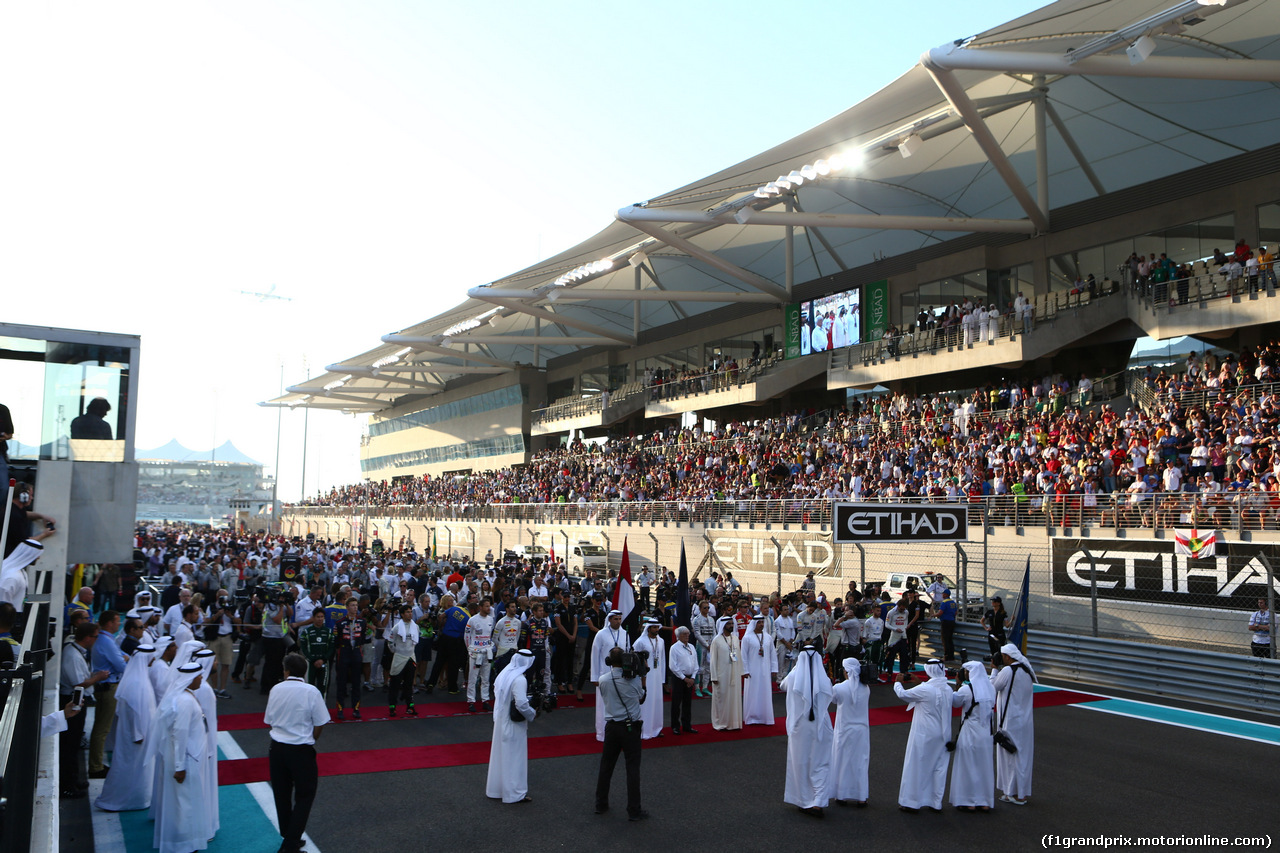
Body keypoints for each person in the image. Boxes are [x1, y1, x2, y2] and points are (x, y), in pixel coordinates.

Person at [265, 653, 329, 853]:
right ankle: (291, 842)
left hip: (276, 748)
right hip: (300, 749)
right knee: (305, 795)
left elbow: (269, 719)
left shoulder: (276, 689)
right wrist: (311, 738)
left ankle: (289, 835)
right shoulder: (311, 691)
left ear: (287, 671)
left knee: (281, 795)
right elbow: (320, 722)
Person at [151, 662, 210, 853]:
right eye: (199, 676)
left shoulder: (186, 696)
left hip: (189, 757)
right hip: (186, 760)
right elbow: (179, 733)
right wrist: (180, 766)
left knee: (186, 803)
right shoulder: (184, 701)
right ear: (190, 678)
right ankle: (183, 846)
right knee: (185, 804)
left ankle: (187, 843)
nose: (202, 678)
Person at [95, 644, 159, 811]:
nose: (153, 660)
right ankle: (119, 800)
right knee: (129, 767)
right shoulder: (137, 683)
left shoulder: (139, 678)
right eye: (151, 657)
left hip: (139, 733)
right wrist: (139, 734)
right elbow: (135, 711)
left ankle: (139, 798)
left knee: (136, 768)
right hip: (136, 735)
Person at [779, 645, 834, 817]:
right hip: (820, 725)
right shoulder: (824, 678)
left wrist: (796, 668)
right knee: (820, 762)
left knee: (801, 762)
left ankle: (804, 800)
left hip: (800, 725)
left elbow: (782, 686)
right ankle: (818, 801)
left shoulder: (794, 676)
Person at [594, 646, 647, 821]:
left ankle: (600, 804)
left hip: (612, 727)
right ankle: (634, 810)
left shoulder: (603, 679)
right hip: (630, 728)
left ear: (609, 661)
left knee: (606, 766)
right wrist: (642, 677)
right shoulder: (633, 681)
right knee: (632, 768)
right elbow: (641, 698)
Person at [892, 659, 952, 813]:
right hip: (943, 733)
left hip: (924, 733)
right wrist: (920, 683)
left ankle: (911, 802)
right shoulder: (947, 688)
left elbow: (903, 694)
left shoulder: (926, 689)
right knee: (938, 768)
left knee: (916, 765)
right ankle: (935, 802)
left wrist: (897, 682)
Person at [58, 621, 109, 798]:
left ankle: (73, 779)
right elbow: (78, 683)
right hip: (72, 701)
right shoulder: (72, 655)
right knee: (69, 744)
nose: (96, 640)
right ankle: (67, 785)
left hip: (77, 701)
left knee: (74, 744)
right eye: (95, 637)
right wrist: (98, 677)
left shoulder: (76, 651)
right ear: (88, 638)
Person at [486, 648, 537, 804]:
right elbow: (521, 703)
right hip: (513, 723)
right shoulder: (519, 679)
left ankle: (497, 789)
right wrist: (532, 713)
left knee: (501, 756)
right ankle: (514, 793)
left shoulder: (505, 673)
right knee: (514, 758)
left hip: (501, 719)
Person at [993, 643, 1036, 805]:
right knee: (1022, 756)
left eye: (1002, 656)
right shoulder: (1026, 671)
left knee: (1009, 756)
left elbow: (992, 687)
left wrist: (994, 669)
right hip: (1025, 720)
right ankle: (1018, 793)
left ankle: (1013, 793)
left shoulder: (1008, 671)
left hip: (1010, 720)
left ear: (1008, 657)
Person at [950, 660, 996, 812]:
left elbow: (955, 702)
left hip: (970, 730)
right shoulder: (991, 688)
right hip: (986, 732)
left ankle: (968, 800)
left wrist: (958, 684)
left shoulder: (966, 689)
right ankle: (984, 801)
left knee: (968, 765)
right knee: (984, 766)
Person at [88, 609, 128, 778]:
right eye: (117, 620)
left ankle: (96, 764)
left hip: (107, 686)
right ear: (110, 623)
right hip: (107, 687)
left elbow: (121, 656)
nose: (119, 623)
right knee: (101, 729)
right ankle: (96, 767)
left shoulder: (107, 639)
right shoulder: (106, 641)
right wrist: (124, 659)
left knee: (102, 727)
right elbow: (121, 664)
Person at [829, 657, 870, 807]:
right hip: (862, 730)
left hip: (844, 729)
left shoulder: (839, 688)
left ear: (846, 671)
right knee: (861, 762)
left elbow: (833, 700)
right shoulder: (866, 688)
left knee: (843, 761)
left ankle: (841, 794)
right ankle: (861, 796)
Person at [590, 609, 630, 742]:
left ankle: (619, 733)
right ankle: (602, 733)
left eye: (619, 619)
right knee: (603, 704)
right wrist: (595, 677)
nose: (618, 621)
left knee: (620, 703)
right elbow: (594, 655)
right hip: (604, 675)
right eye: (615, 619)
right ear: (609, 619)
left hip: (622, 676)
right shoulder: (601, 634)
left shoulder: (625, 634)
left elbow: (629, 653)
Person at [333, 598, 369, 719]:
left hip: (356, 652)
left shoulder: (362, 622)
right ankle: (340, 708)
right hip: (344, 651)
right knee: (341, 681)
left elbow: (363, 637)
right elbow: (336, 641)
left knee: (356, 681)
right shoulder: (340, 622)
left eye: (356, 605)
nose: (354, 607)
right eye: (352, 605)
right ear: (347, 607)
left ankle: (356, 708)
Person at [632, 617, 665, 738]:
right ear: (649, 628)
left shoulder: (661, 641)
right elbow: (634, 659)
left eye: (658, 627)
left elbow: (662, 660)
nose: (656, 629)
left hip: (657, 676)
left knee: (656, 701)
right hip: (645, 677)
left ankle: (656, 728)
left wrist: (662, 679)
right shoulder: (641, 642)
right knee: (645, 702)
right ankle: (644, 730)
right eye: (654, 627)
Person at [709, 617, 744, 731]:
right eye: (728, 624)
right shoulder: (717, 640)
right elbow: (713, 660)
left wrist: (741, 672)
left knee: (734, 698)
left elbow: (739, 656)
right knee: (722, 699)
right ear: (723, 625)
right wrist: (713, 676)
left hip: (734, 673)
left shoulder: (735, 638)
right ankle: (721, 723)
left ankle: (734, 723)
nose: (731, 625)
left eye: (731, 623)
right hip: (721, 675)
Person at [740, 615, 776, 725]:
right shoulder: (747, 638)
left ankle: (765, 717)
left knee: (764, 692)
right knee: (752, 692)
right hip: (752, 670)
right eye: (759, 622)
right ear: (754, 623)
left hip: (765, 669)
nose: (761, 624)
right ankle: (751, 717)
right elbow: (743, 656)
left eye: (762, 622)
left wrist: (774, 669)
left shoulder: (768, 637)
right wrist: (745, 670)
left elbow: (773, 654)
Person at [387, 604, 419, 716]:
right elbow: (390, 642)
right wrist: (395, 651)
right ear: (402, 614)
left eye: (411, 611)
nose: (410, 614)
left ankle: (410, 706)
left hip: (411, 657)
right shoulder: (396, 628)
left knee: (409, 684)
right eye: (407, 612)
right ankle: (392, 706)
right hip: (399, 657)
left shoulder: (415, 626)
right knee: (395, 684)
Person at [463, 597, 495, 712]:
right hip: (475, 652)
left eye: (489, 606)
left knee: (485, 678)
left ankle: (485, 700)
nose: (488, 608)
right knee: (473, 677)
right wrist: (469, 649)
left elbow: (490, 635)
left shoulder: (491, 619)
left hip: (487, 651)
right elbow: (466, 635)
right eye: (486, 606)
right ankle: (471, 701)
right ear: (480, 607)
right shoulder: (472, 620)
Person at [667, 626, 699, 735]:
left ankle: (687, 725)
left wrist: (693, 677)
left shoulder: (691, 647)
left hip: (690, 678)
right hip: (679, 678)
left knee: (687, 703)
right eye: (684, 634)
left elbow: (695, 664)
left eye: (688, 633)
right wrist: (684, 678)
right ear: (678, 636)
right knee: (676, 703)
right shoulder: (674, 648)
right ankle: (675, 726)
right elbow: (673, 666)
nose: (687, 635)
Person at [297, 609, 334, 697]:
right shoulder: (306, 632)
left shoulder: (329, 632)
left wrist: (323, 659)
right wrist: (313, 659)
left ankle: (322, 708)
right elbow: (304, 649)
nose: (320, 619)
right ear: (313, 618)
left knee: (323, 687)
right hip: (310, 663)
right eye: (318, 617)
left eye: (322, 617)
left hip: (324, 663)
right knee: (309, 687)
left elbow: (331, 648)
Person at [937, 589, 958, 661]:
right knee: (950, 639)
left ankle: (946, 655)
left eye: (943, 594)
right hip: (952, 621)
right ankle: (951, 656)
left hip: (945, 622)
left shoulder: (944, 602)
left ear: (946, 594)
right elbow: (956, 612)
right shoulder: (953, 602)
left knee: (945, 639)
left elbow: (940, 613)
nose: (942, 595)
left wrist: (934, 615)